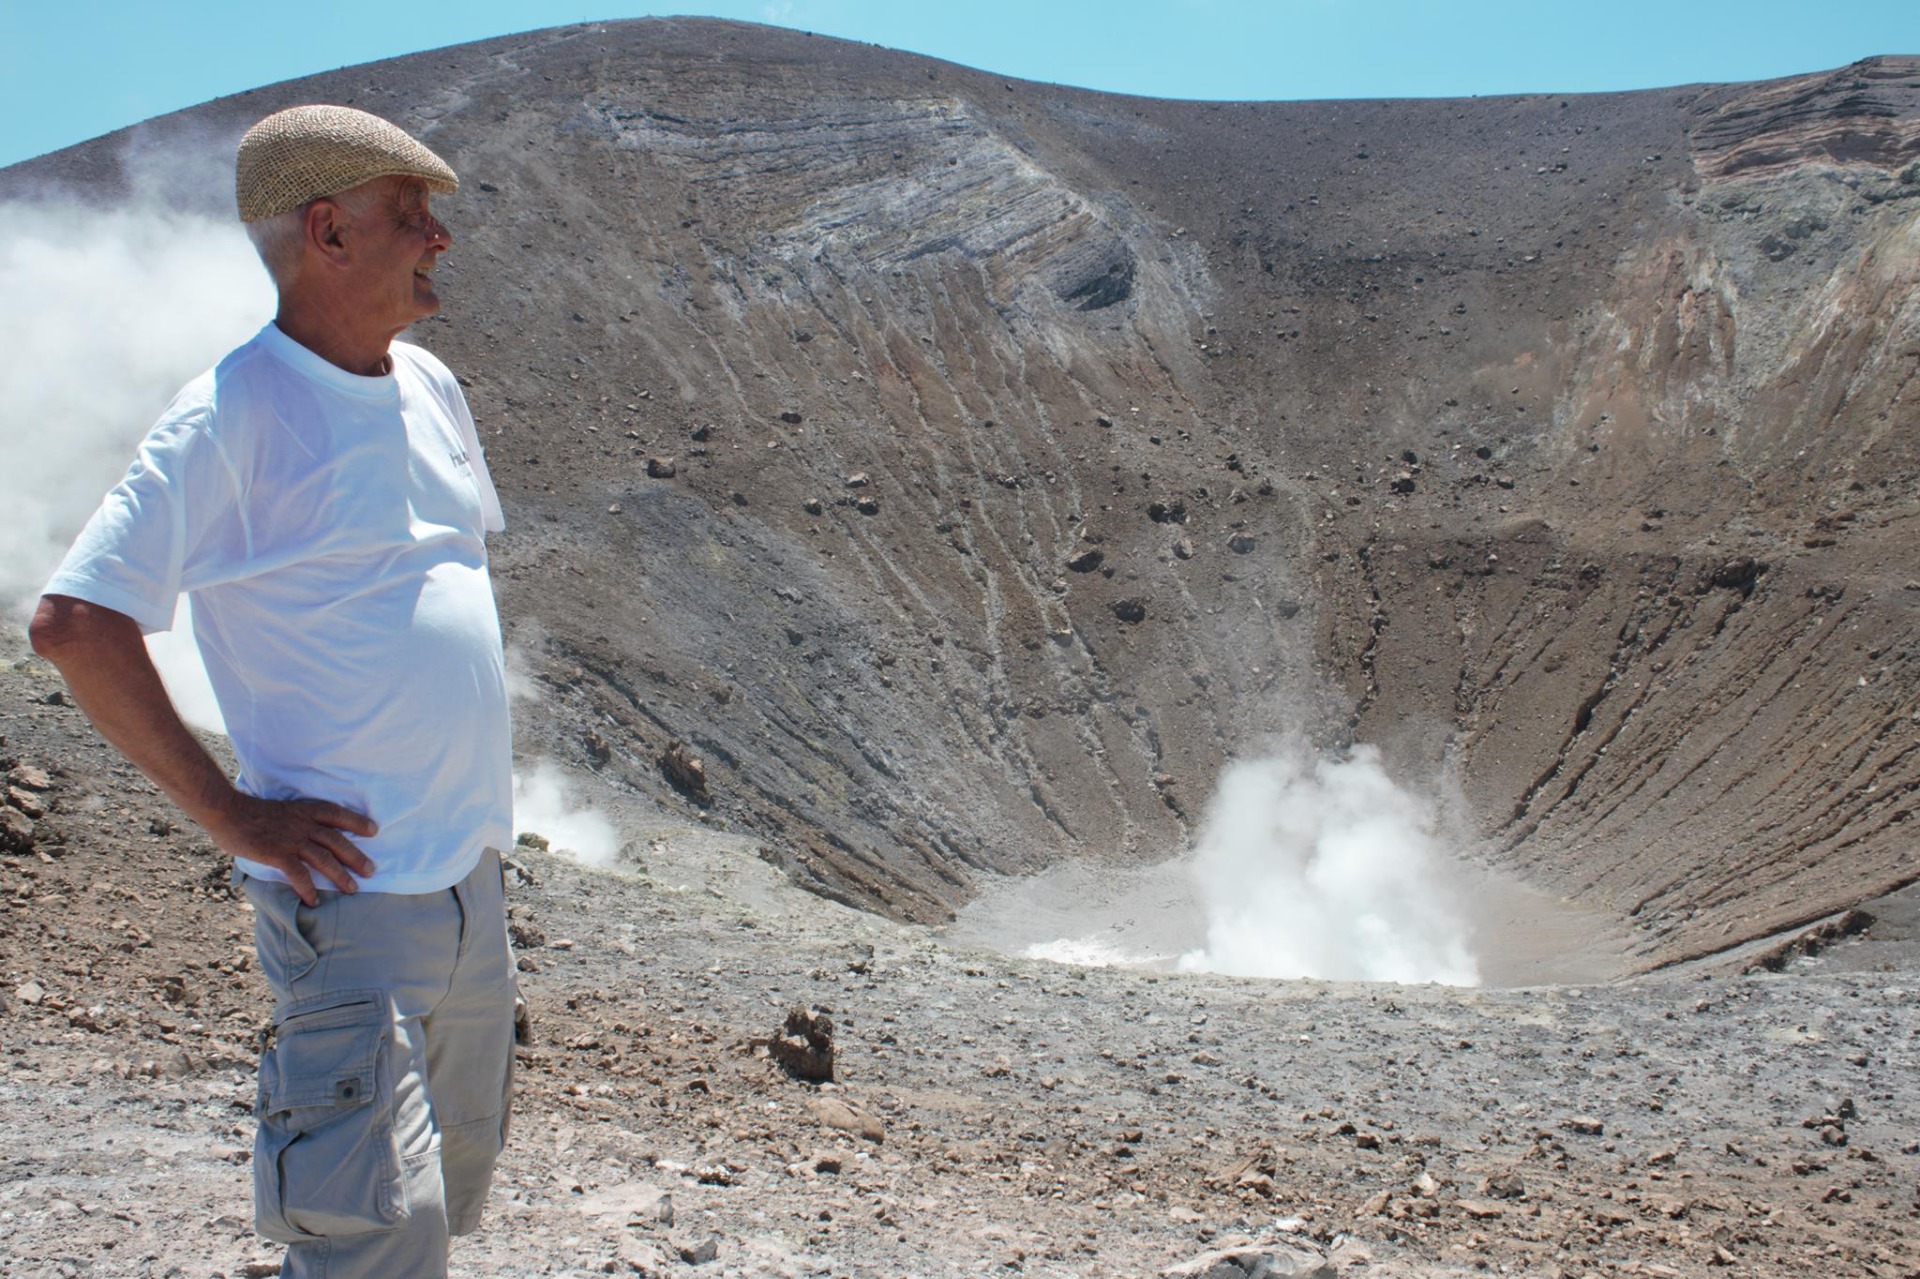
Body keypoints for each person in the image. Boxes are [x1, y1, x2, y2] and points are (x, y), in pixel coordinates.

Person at [29, 104, 515, 1279]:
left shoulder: (429, 385)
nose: (439, 237)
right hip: (351, 913)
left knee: (432, 1214)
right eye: (411, 213)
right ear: (327, 232)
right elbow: (76, 622)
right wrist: (232, 814)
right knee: (368, 1238)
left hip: (467, 892)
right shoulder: (234, 413)